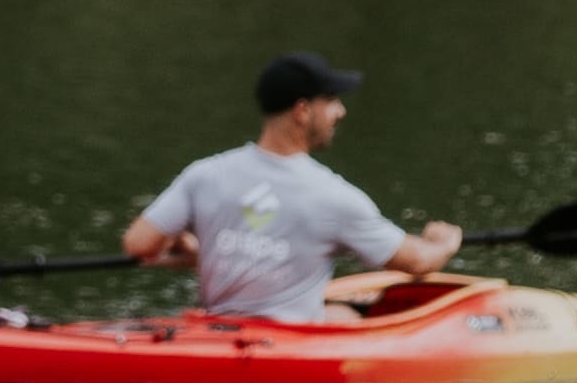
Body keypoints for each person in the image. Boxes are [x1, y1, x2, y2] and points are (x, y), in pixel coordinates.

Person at [122, 53, 467, 322]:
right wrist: (445, 242)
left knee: (340, 313)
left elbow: (139, 244)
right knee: (348, 316)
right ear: (302, 111)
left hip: (219, 328)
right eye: (331, 100)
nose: (340, 111)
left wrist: (205, 252)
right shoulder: (333, 196)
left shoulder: (206, 174)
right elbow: (418, 262)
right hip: (287, 348)